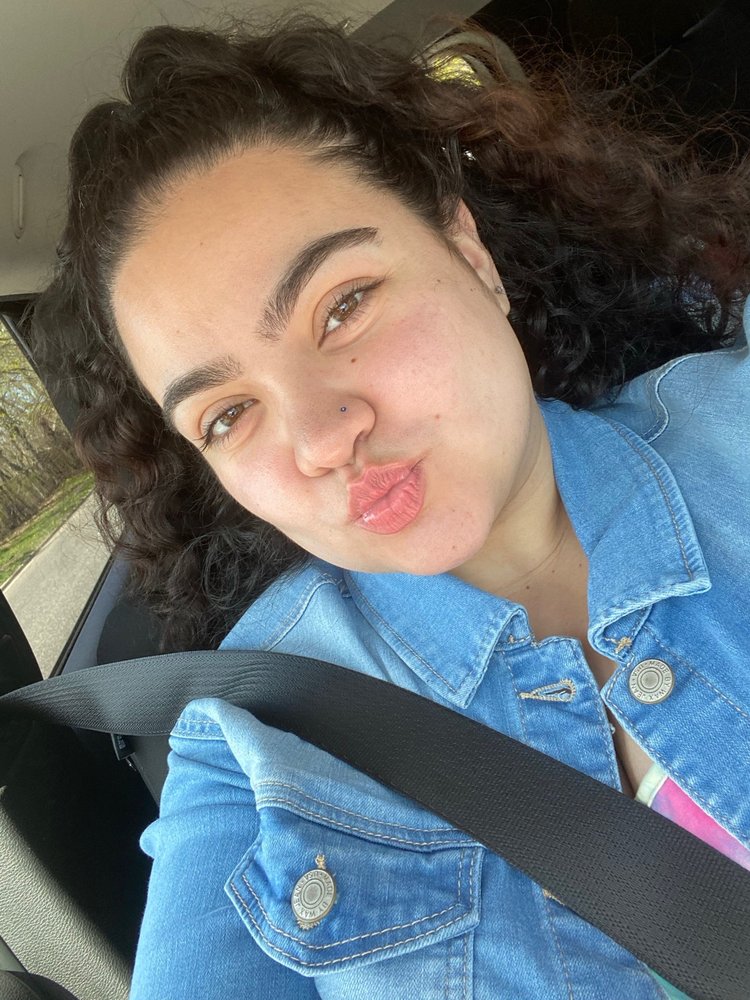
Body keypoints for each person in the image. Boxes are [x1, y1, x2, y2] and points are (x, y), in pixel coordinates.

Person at [31, 13, 750, 1000]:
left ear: (469, 254)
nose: (322, 437)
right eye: (229, 413)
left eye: (342, 305)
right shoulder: (255, 749)